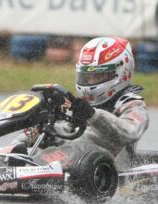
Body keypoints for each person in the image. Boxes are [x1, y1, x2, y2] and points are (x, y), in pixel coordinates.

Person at [14, 36, 149, 168]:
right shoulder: (83, 105)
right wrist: (50, 130)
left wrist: (93, 115)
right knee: (40, 137)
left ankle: (30, 168)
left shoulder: (132, 103)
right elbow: (71, 130)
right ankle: (11, 158)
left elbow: (130, 132)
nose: (90, 82)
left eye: (97, 76)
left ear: (120, 73)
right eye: (87, 77)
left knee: (79, 147)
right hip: (76, 160)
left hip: (108, 166)